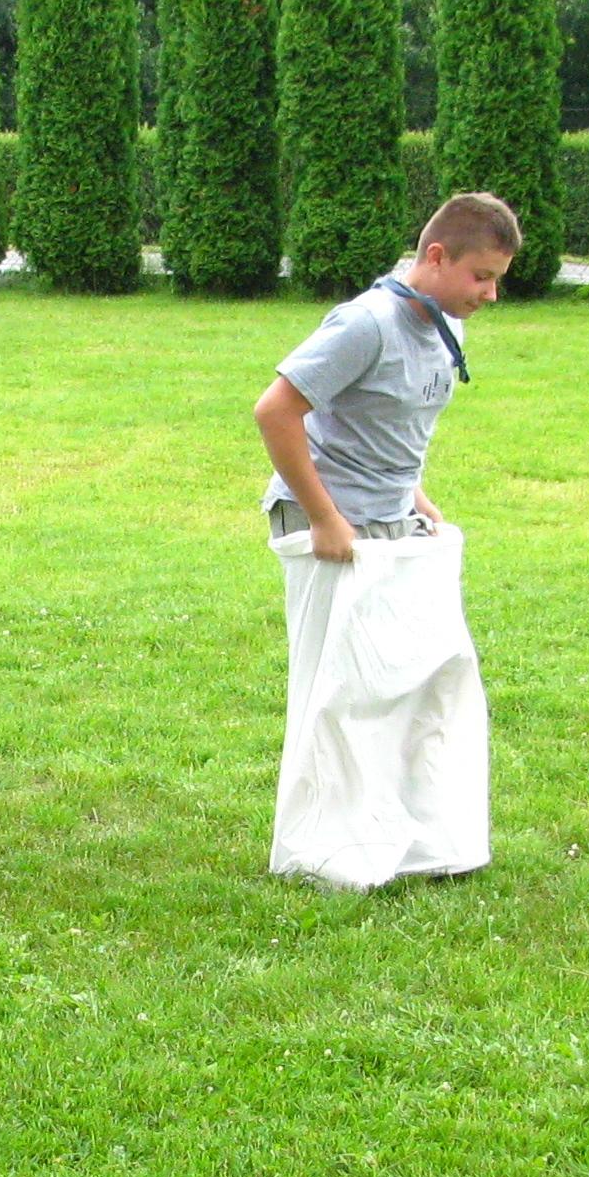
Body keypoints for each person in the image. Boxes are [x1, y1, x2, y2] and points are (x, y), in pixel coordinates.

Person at [251, 192, 514, 888]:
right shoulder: (365, 324)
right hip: (329, 530)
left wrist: (413, 494)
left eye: (497, 280)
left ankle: (402, 842)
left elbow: (389, 422)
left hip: (390, 525)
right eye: (481, 276)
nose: (490, 294)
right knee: (340, 696)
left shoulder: (442, 326)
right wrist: (325, 518)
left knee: (409, 687)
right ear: (437, 256)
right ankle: (321, 856)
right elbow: (276, 411)